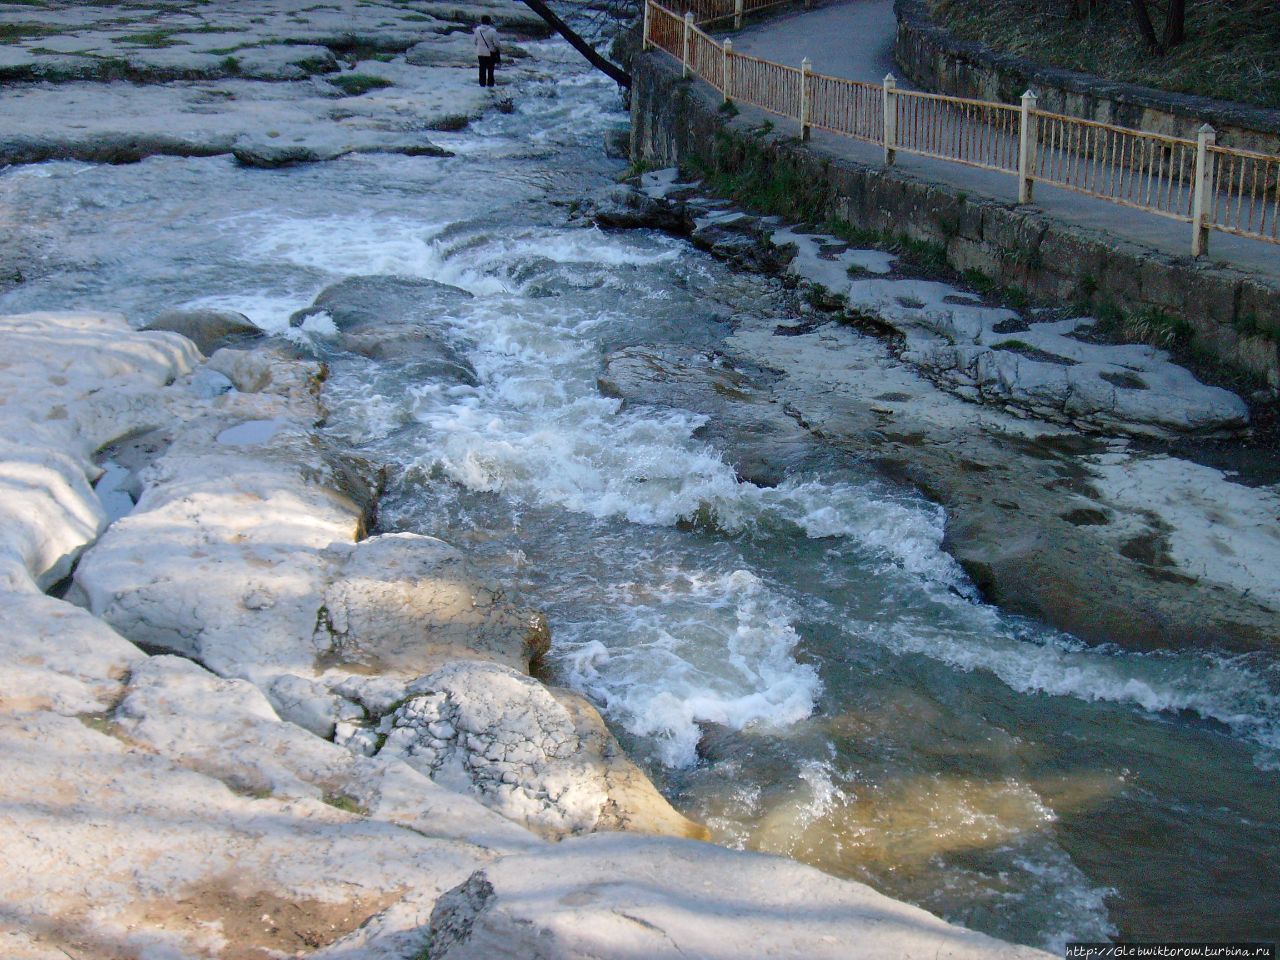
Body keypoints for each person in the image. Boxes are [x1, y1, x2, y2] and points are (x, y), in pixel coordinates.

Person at [473, 15, 500, 88]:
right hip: (490, 52)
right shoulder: (493, 31)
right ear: (489, 21)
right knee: (490, 69)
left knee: (482, 68)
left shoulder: (477, 30)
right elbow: (497, 44)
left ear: (481, 21)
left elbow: (474, 42)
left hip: (480, 52)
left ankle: (482, 85)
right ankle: (490, 85)